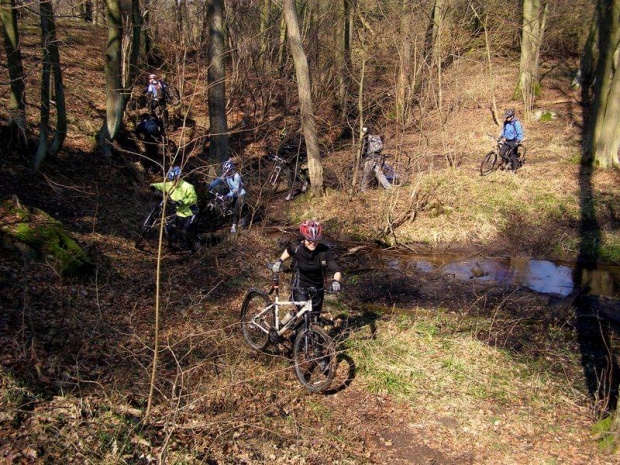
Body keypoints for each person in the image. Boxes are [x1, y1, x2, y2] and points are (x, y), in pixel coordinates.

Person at [271, 220, 342, 326]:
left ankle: (294, 326)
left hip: (318, 288)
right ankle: (293, 336)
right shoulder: (297, 248)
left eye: (316, 241)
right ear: (304, 237)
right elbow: (288, 251)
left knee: (314, 318)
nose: (313, 243)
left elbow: (336, 269)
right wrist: (280, 261)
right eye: (310, 240)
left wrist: (336, 281)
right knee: (306, 314)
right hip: (300, 286)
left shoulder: (324, 250)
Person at [150, 166, 199, 252]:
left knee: (186, 231)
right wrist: (153, 186)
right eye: (171, 180)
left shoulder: (187, 186)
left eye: (175, 180)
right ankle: (177, 244)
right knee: (173, 228)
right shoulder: (170, 184)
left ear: (179, 178)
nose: (173, 182)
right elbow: (161, 185)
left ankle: (192, 248)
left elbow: (193, 199)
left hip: (190, 212)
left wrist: (183, 201)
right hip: (179, 212)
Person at [208, 157, 245, 234]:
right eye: (225, 172)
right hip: (233, 194)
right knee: (228, 207)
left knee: (236, 208)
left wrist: (227, 195)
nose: (226, 173)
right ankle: (240, 218)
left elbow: (236, 189)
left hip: (240, 194)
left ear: (231, 169)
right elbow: (219, 179)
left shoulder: (236, 176)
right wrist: (211, 185)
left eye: (227, 172)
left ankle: (234, 227)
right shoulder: (227, 174)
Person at [360, 127, 391, 192]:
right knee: (379, 173)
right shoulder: (377, 137)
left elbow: (364, 149)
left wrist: (362, 157)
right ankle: (389, 188)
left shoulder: (366, 138)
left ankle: (363, 190)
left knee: (366, 173)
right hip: (378, 158)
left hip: (370, 158)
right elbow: (381, 147)